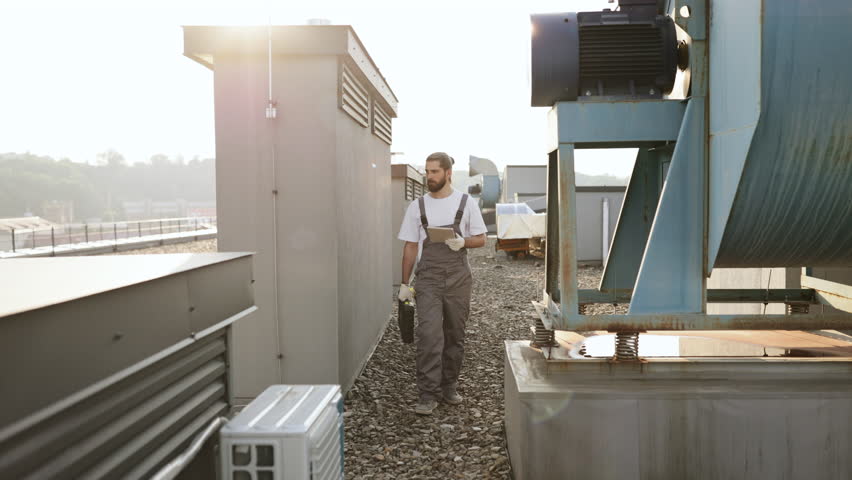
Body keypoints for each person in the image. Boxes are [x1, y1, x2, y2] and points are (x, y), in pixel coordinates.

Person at [397, 152, 487, 415]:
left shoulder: (465, 202)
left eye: (434, 172)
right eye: (427, 172)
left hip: (459, 279)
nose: (429, 177)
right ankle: (427, 393)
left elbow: (481, 238)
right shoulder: (417, 206)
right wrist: (404, 285)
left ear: (448, 173)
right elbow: (410, 246)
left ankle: (449, 385)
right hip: (428, 280)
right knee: (429, 335)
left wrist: (463, 241)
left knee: (454, 335)